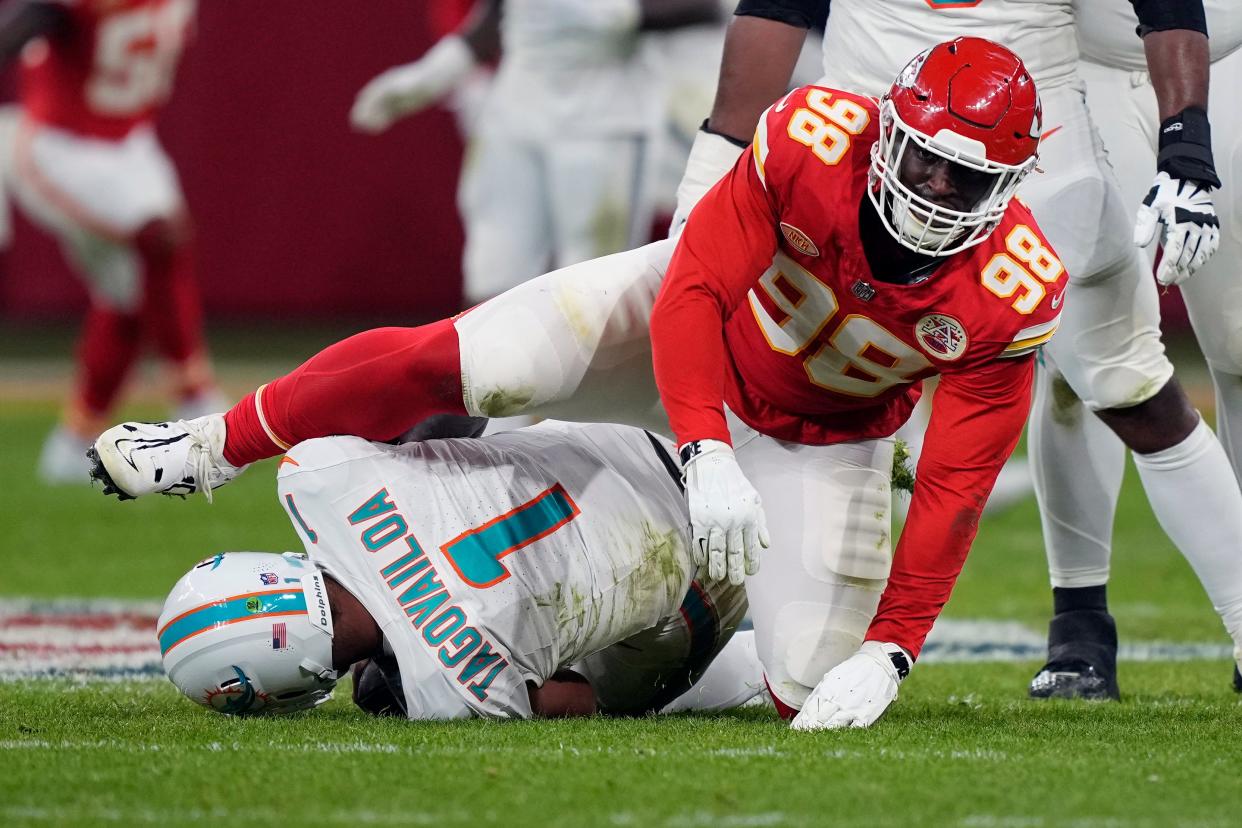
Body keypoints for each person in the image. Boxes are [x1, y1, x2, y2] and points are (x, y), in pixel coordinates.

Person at [95, 37, 1064, 730]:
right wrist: (705, 447)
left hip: (823, 433)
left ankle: (752, 618)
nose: (932, 194)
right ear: (888, 133)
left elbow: (959, 483)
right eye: (922, 165)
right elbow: (691, 289)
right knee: (472, 360)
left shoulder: (1015, 292)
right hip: (684, 337)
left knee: (811, 694)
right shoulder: (813, 136)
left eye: (962, 182)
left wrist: (896, 645)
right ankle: (204, 446)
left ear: (1010, 187)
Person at [672, 0, 1242, 702]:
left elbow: (1164, 5)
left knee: (1126, 386)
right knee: (718, 324)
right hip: (864, 149)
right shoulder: (809, 142)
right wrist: (718, 156)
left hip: (1017, 163)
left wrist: (1184, 140)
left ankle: (1113, 629)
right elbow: (777, 9)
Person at [157, 420, 760, 719]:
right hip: (637, 444)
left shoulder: (445, 688)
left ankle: (761, 662)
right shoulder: (314, 473)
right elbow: (443, 412)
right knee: (428, 440)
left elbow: (575, 701)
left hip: (700, 572)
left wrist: (401, 657)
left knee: (612, 691)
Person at [1029, 0, 1242, 697]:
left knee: (1241, 346)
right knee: (1075, 357)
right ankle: (1080, 620)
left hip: (1233, 60)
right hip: (1081, 66)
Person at [348, 0, 723, 307]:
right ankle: (489, 387)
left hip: (604, 118)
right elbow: (502, 13)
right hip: (516, 109)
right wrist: (429, 76)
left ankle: (590, 397)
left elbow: (706, 7)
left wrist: (620, 12)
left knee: (592, 278)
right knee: (494, 266)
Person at [0, 0, 224, 484]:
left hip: (130, 142)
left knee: (128, 296)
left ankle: (74, 441)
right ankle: (196, 400)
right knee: (160, 238)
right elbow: (33, 20)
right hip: (59, 146)